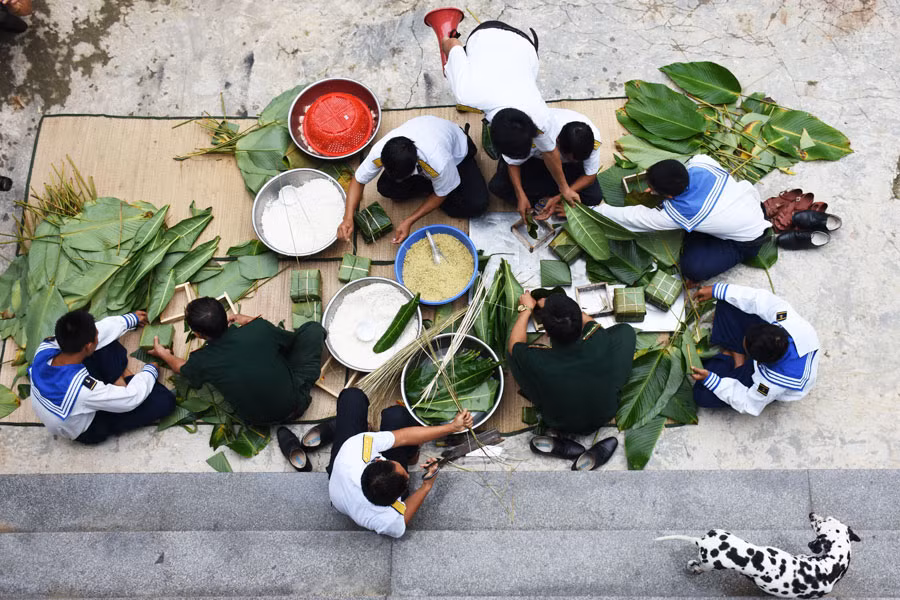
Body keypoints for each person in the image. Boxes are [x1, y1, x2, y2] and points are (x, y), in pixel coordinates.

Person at [439, 21, 580, 220]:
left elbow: (549, 151)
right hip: (486, 36)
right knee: (452, 72)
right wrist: (447, 49)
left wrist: (564, 188)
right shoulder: (467, 92)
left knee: (455, 72)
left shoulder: (540, 116)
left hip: (523, 46)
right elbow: (451, 43)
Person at [592, 156, 770, 283]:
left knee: (693, 268)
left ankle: (704, 234)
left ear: (669, 196)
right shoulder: (701, 161)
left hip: (747, 239)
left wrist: (593, 210)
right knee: (694, 224)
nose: (648, 191)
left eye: (652, 189)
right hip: (748, 204)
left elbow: (634, 218)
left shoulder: (681, 212)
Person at [149, 297, 325, 425]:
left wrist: (164, 354)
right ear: (226, 318)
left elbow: (180, 367)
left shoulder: (201, 359)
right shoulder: (258, 328)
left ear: (197, 334)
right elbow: (291, 342)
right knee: (313, 329)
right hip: (296, 403)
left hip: (256, 420)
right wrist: (250, 321)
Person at [327, 387, 473, 537]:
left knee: (352, 397)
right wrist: (426, 486)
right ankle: (410, 453)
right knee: (398, 416)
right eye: (407, 480)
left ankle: (368, 429)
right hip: (348, 495)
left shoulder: (357, 447)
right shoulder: (386, 520)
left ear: (376, 460)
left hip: (342, 470)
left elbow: (402, 437)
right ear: (395, 501)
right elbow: (403, 519)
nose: (408, 476)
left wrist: (452, 427)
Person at [28, 309, 175, 444]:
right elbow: (130, 399)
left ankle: (116, 382)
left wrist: (130, 319)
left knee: (107, 341)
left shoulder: (45, 347)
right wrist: (150, 371)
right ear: (88, 346)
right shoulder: (83, 389)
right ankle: (120, 382)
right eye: (95, 336)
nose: (98, 334)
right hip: (88, 426)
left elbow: (102, 331)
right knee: (164, 401)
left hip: (71, 392)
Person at [336, 115, 488, 245]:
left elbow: (441, 195)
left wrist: (409, 220)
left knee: (476, 204)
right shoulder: (381, 151)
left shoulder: (438, 162)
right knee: (385, 188)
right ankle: (432, 188)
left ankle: (437, 187)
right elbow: (358, 180)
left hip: (456, 156)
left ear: (415, 166)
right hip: (425, 152)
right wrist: (348, 217)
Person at [507, 290, 636, 434]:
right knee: (625, 331)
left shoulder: (538, 359)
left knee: (512, 355)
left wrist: (526, 309)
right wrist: (562, 309)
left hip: (559, 422)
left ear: (547, 333)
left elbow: (514, 344)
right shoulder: (598, 339)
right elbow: (588, 320)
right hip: (605, 413)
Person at [690, 282, 820, 416]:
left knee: (702, 394)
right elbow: (760, 299)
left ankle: (736, 361)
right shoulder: (787, 321)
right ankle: (736, 358)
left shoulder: (769, 385)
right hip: (766, 352)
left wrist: (712, 380)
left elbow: (748, 403)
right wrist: (717, 290)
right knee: (727, 301)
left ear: (757, 361)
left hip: (766, 376)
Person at [491, 108, 605, 214]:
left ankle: (549, 199)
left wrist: (561, 196)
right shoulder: (535, 137)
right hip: (536, 162)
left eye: (578, 159)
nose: (574, 160)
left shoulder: (592, 140)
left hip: (565, 170)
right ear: (557, 142)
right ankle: (543, 199)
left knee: (594, 197)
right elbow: (512, 164)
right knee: (499, 186)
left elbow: (590, 175)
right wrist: (520, 194)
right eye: (569, 157)